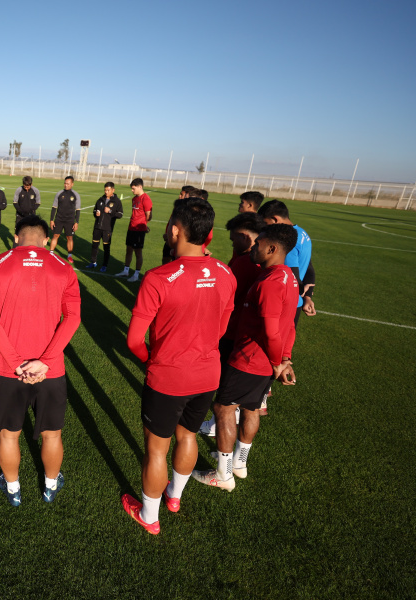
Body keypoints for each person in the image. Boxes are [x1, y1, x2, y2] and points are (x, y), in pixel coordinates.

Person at [122, 197, 236, 535]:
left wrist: (150, 362)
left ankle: (150, 516)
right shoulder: (226, 273)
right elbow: (222, 329)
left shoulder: (159, 278)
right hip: (207, 374)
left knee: (157, 449)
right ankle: (174, 497)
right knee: (187, 436)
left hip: (168, 377)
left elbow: (132, 341)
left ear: (174, 230)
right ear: (210, 235)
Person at [0, 215, 81, 506]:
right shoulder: (64, 267)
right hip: (51, 371)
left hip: (9, 370)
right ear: (46, 239)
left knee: (9, 436)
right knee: (51, 434)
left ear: (15, 237)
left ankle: (13, 490)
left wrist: (14, 362)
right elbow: (73, 317)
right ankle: (50, 486)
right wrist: (46, 361)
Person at [191, 224, 298, 492]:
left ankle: (223, 475)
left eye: (259, 242)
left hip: (250, 360)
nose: (254, 246)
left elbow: (272, 332)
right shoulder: (288, 277)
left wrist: (277, 362)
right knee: (251, 408)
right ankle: (239, 463)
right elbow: (290, 327)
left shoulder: (271, 283)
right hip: (264, 364)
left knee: (223, 409)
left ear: (272, 249)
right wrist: (284, 359)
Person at [199, 211, 265, 437]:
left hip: (231, 333)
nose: (231, 241)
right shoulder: (255, 262)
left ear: (247, 237)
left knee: (224, 397)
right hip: (246, 338)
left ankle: (217, 428)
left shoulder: (246, 263)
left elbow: (223, 295)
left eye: (234, 237)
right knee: (248, 403)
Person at [257, 200, 315, 319]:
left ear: (275, 219)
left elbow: (290, 278)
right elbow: (310, 269)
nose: (263, 228)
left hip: (284, 303)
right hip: (296, 302)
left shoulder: (286, 240)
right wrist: (307, 296)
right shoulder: (302, 233)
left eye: (265, 223)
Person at [115, 178, 153, 282]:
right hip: (131, 228)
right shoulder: (134, 199)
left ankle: (136, 275)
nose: (132, 190)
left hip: (139, 230)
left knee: (138, 252)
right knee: (129, 250)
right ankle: (126, 270)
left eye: (133, 188)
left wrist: (144, 225)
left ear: (140, 187)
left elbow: (148, 216)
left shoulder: (146, 199)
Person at [85, 182, 123, 272]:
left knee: (106, 248)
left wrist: (110, 211)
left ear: (113, 190)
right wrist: (96, 213)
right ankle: (93, 262)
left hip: (107, 229)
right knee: (94, 245)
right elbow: (94, 210)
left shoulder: (117, 201)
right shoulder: (100, 199)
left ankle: (104, 265)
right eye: (105, 190)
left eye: (108, 190)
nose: (106, 192)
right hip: (97, 227)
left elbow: (120, 214)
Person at [48, 176, 81, 264]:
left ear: (72, 184)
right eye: (65, 183)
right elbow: (54, 207)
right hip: (59, 219)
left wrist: (76, 222)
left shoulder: (75, 195)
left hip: (70, 220)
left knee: (69, 237)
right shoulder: (59, 194)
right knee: (55, 236)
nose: (66, 185)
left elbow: (78, 210)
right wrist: (52, 220)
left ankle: (69, 256)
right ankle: (51, 253)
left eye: (68, 184)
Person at [161, 185, 197, 265]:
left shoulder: (190, 212)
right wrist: (167, 234)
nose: (179, 196)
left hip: (178, 242)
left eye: (181, 194)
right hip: (169, 239)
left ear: (188, 196)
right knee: (165, 262)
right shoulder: (177, 207)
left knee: (177, 264)